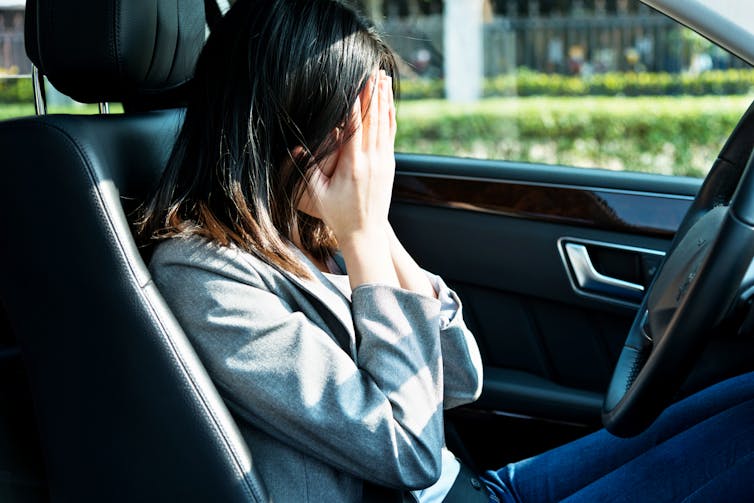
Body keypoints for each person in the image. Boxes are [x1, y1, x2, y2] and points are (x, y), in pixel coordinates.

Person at [139, 0, 754, 501]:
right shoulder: (205, 274)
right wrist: (361, 235)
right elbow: (405, 449)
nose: (367, 159)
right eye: (352, 131)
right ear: (280, 127)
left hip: (473, 488)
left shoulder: (305, 227)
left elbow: (460, 380)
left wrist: (372, 231)